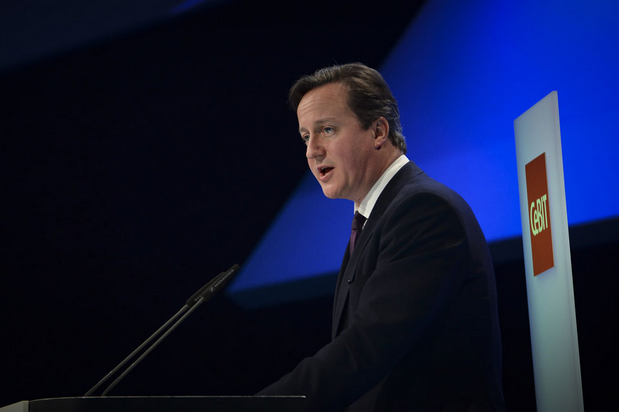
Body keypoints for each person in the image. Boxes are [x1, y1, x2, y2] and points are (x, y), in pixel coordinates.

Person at [257, 63, 505, 411]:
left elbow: (365, 349)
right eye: (305, 136)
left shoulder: (424, 210)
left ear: (378, 131)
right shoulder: (374, 219)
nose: (312, 150)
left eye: (327, 130)